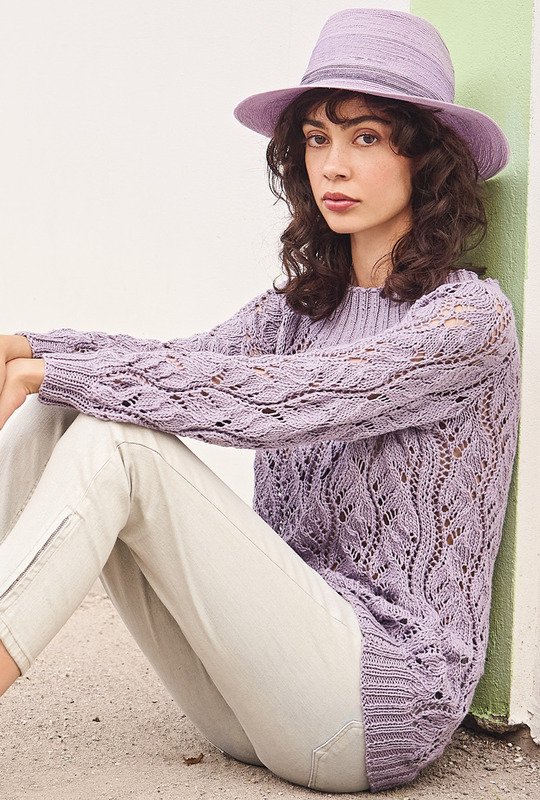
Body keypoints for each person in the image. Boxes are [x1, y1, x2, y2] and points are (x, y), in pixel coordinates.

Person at [0, 7, 521, 794]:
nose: (333, 167)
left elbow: (284, 399)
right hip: (252, 698)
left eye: (366, 137)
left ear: (427, 159)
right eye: (317, 138)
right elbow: (183, 365)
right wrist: (31, 350)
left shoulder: (466, 322)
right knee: (64, 410)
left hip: (373, 709)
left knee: (118, 440)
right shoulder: (296, 312)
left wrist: (53, 368)